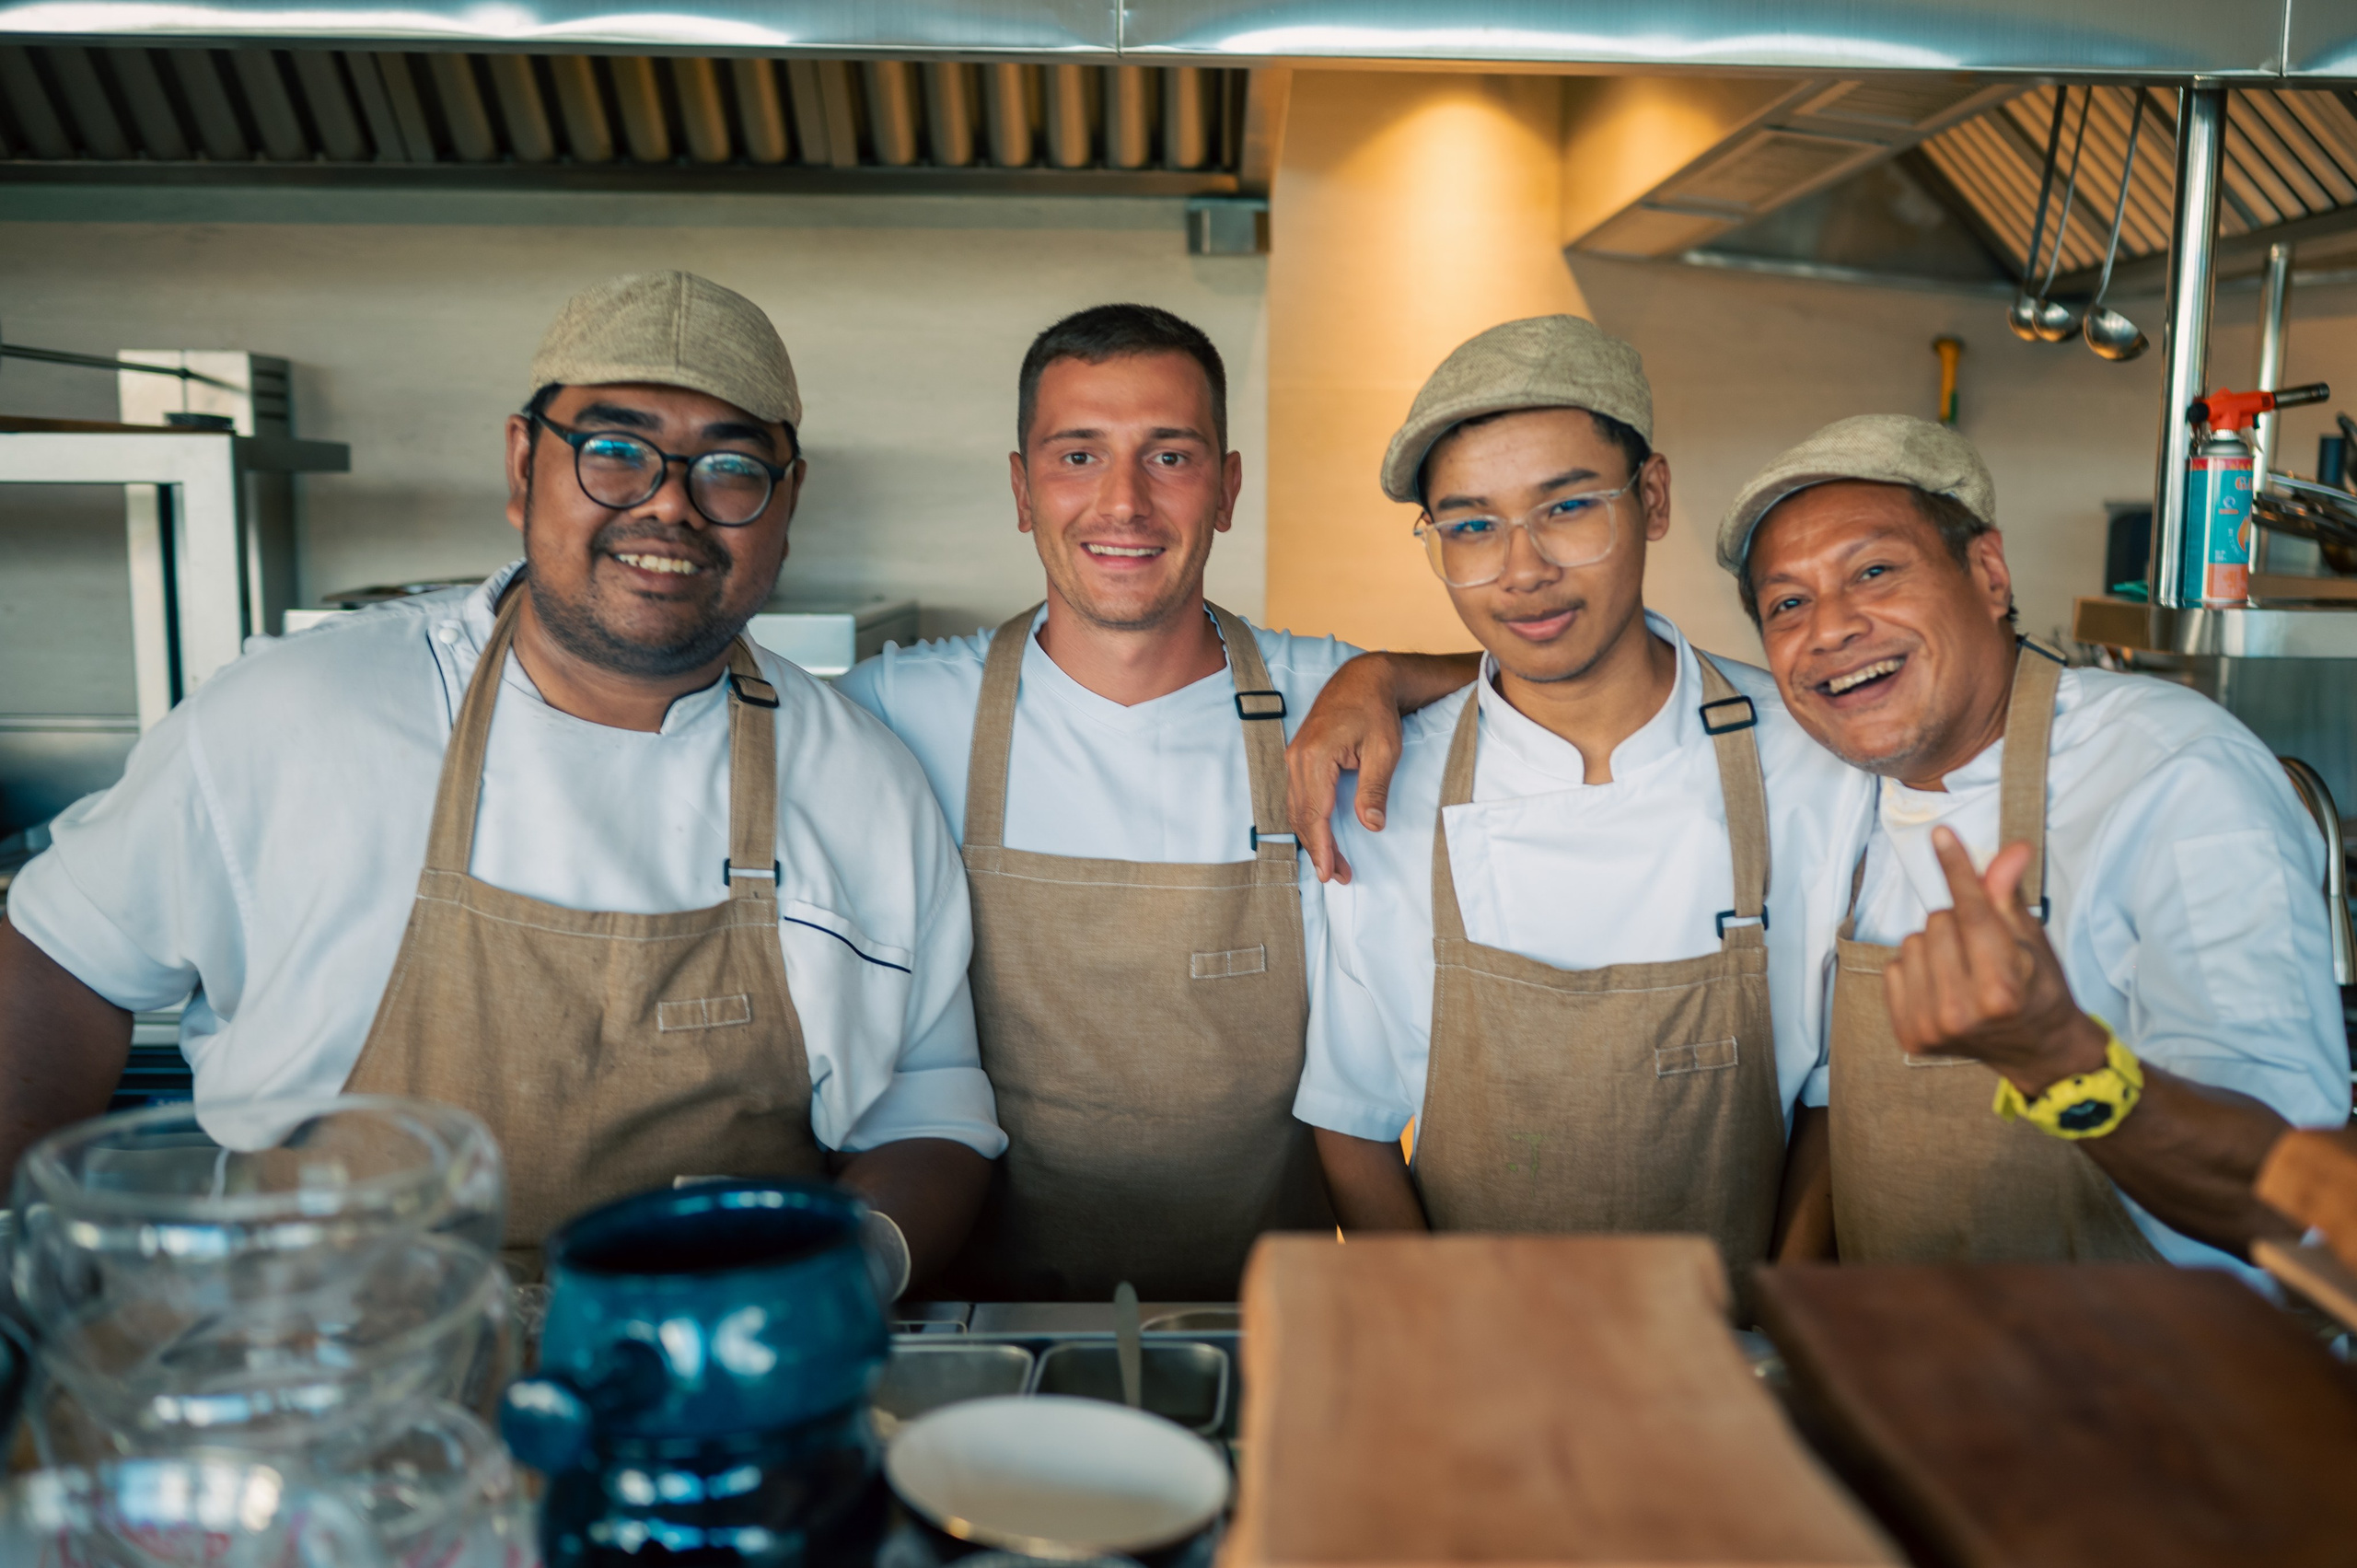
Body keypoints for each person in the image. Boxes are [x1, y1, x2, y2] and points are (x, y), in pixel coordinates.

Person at [0, 271, 1000, 1287]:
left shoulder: (861, 782)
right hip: (324, 1377)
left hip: (705, 1386)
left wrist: (846, 1269)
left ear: (785, 504)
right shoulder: (294, 715)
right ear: (525, 464)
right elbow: (59, 958)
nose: (669, 505)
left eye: (731, 467)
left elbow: (929, 1105)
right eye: (614, 451)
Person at [1287, 315, 1871, 1282]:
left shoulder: (1810, 758)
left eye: (1564, 508)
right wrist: (1443, 1330)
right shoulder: (1388, 790)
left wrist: (1774, 1322)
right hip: (1474, 1355)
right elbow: (1348, 1119)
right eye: (1470, 526)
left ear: (1652, 498)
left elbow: (1835, 1099)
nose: (1521, 570)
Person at [1721, 413, 2348, 1269]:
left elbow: (2297, 1204)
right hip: (1916, 1375)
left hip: (2154, 1379)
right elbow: (1840, 1112)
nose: (1829, 629)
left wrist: (2063, 1062)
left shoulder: (2173, 774)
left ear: (1986, 572)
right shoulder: (1840, 793)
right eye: (1787, 603)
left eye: (1873, 571)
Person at [836, 304, 1355, 1302]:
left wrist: (1392, 678)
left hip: (1270, 1324)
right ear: (1022, 490)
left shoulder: (1325, 699)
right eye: (1078, 455)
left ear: (1228, 487)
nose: (1124, 502)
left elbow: (1537, 686)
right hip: (973, 1320)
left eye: (1169, 456)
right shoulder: (896, 712)